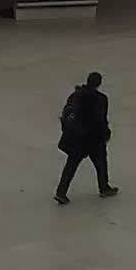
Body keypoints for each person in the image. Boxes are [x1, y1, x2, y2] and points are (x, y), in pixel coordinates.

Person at [54, 72, 118, 204]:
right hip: (93, 139)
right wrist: (106, 133)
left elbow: (68, 114)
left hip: (77, 138)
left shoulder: (75, 96)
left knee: (71, 165)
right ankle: (104, 188)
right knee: (101, 164)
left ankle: (61, 192)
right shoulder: (101, 99)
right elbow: (101, 120)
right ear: (99, 83)